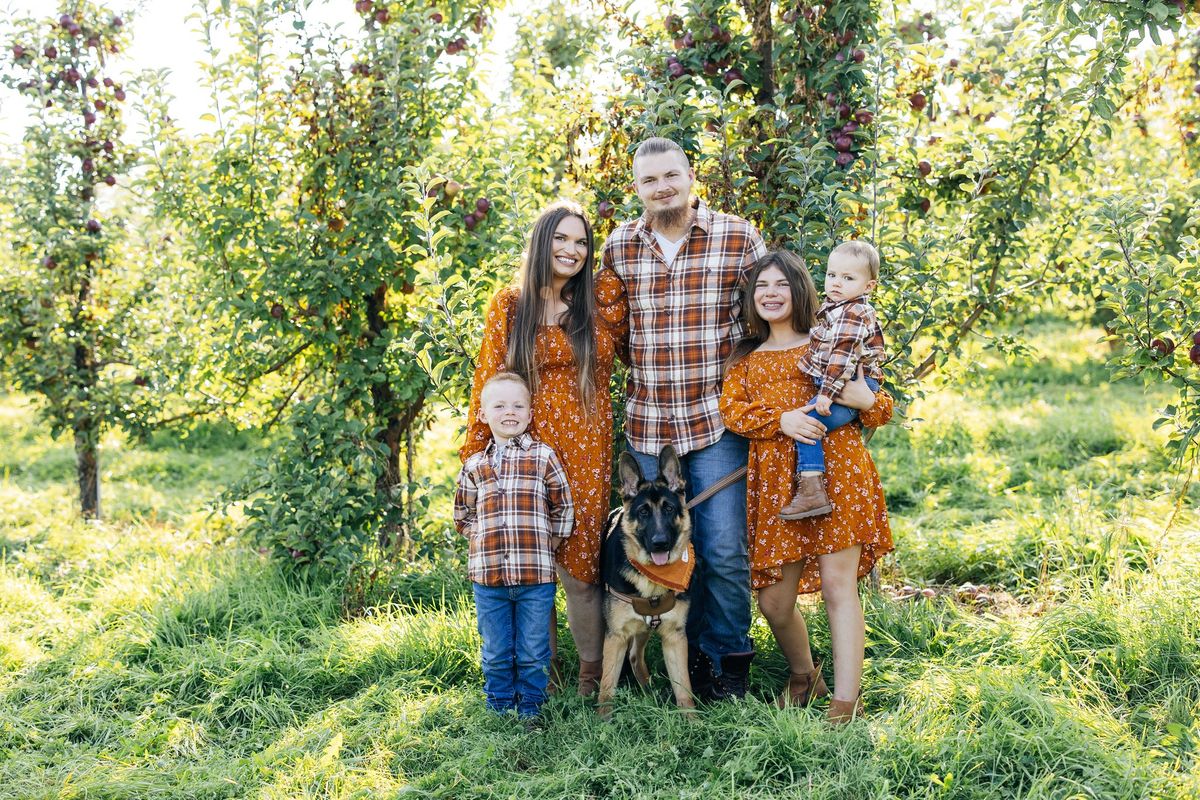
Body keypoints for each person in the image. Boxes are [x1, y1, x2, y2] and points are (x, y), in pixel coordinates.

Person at [595, 136, 767, 700]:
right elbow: (615, 333)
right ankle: (676, 656)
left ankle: (725, 665)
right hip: (648, 422)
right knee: (653, 545)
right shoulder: (620, 246)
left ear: (692, 177)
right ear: (637, 188)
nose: (662, 187)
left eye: (672, 176)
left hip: (717, 421)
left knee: (720, 549)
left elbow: (762, 316)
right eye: (650, 180)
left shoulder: (738, 237)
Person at [719, 250, 893, 723]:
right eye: (760, 287)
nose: (770, 294)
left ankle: (845, 700)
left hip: (839, 473)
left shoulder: (829, 336)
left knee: (839, 588)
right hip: (778, 487)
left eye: (779, 285)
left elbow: (878, 403)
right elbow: (732, 413)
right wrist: (784, 419)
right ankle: (804, 675)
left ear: (799, 290)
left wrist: (866, 398)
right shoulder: (745, 359)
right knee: (774, 601)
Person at [461, 201, 625, 697]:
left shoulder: (600, 300)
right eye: (561, 239)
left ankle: (592, 676)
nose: (571, 250)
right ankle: (541, 674)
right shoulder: (510, 305)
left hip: (586, 442)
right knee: (531, 564)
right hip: (522, 445)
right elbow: (487, 382)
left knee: (579, 567)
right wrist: (476, 454)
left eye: (581, 242)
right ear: (541, 242)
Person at [454, 372, 574, 723]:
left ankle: (531, 707)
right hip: (488, 578)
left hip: (535, 576)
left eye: (518, 405)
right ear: (482, 414)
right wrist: (480, 538)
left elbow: (563, 505)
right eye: (500, 405)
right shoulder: (475, 465)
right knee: (496, 649)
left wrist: (548, 541)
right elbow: (462, 514)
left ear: (530, 412)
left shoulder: (543, 457)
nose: (510, 412)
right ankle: (499, 704)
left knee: (534, 648)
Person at [781, 240, 886, 520]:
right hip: (840, 382)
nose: (837, 283)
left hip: (846, 383)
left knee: (809, 426)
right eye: (832, 275)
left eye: (848, 278)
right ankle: (812, 490)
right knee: (809, 426)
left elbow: (842, 355)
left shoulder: (853, 312)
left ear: (869, 287)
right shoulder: (835, 308)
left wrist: (826, 393)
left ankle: (812, 491)